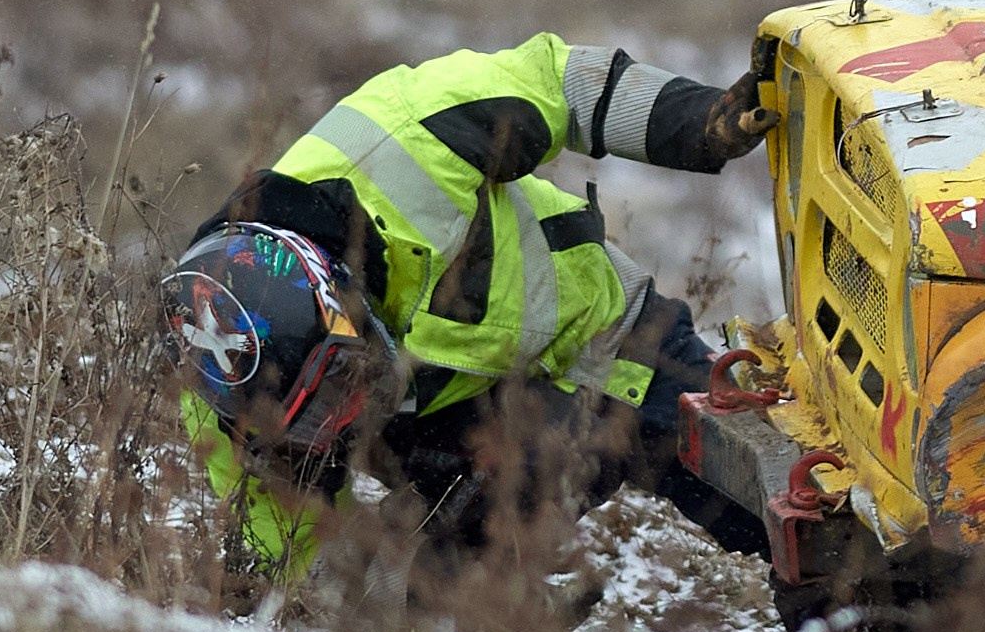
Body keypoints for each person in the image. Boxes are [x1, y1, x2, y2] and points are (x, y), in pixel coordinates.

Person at [161, 34, 774, 580]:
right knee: (429, 587)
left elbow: (563, 82)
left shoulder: (396, 137)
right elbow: (307, 562)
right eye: (313, 422)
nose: (345, 413)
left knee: (784, 520)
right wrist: (392, 596)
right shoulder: (227, 408)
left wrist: (697, 123)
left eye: (341, 379)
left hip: (616, 335)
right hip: (464, 433)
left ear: (339, 293)